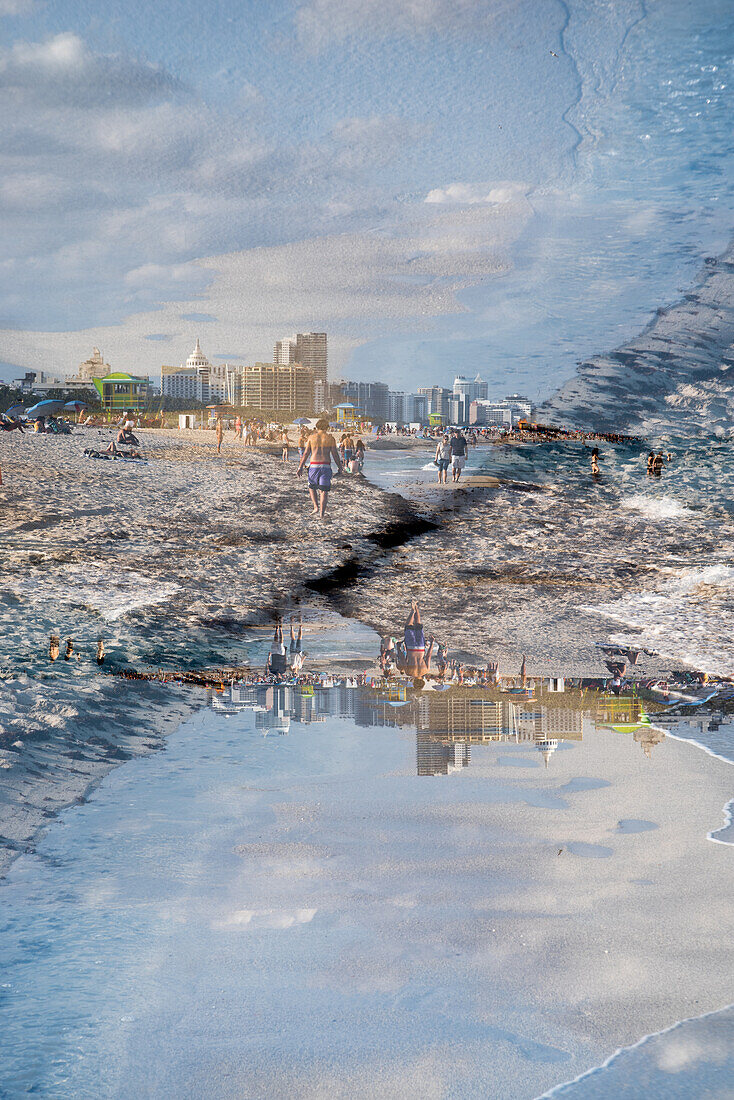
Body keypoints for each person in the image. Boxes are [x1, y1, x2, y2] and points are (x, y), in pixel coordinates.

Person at [296, 418, 344, 520]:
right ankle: (321, 514)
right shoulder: (330, 438)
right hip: (326, 466)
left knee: (311, 486)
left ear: (317, 427)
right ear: (327, 427)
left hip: (313, 465)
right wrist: (340, 467)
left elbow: (306, 453)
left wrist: (300, 467)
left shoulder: (311, 437)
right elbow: (335, 454)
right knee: (324, 491)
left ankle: (315, 507)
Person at [398, 600, 435, 681]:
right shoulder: (408, 672)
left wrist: (432, 643)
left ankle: (416, 607)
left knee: (418, 625)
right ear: (414, 682)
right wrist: (398, 648)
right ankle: (412, 611)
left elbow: (428, 656)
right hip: (411, 649)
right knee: (408, 626)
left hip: (421, 648)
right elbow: (403, 659)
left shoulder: (426, 670)